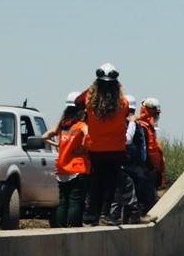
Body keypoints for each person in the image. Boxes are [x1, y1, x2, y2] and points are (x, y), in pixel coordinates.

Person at [75, 63, 129, 225]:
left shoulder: (89, 100)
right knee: (110, 184)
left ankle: (92, 216)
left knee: (96, 182)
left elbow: (78, 101)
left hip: (96, 149)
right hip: (116, 149)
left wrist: (93, 86)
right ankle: (106, 215)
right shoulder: (123, 103)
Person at [49, 94, 91, 227]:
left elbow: (45, 136)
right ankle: (73, 227)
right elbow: (89, 136)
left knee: (63, 200)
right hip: (77, 168)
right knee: (75, 200)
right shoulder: (81, 125)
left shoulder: (62, 125)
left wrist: (59, 145)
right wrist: (84, 149)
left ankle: (61, 227)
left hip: (62, 168)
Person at [136, 97, 165, 213]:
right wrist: (153, 169)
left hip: (150, 171)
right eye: (156, 113)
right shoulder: (143, 127)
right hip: (146, 171)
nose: (157, 115)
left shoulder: (148, 127)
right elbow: (148, 152)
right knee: (146, 204)